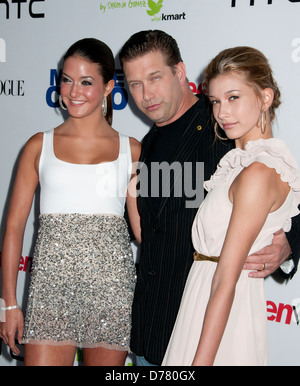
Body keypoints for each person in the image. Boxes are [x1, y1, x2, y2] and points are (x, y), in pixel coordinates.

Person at [119, 30, 300, 366]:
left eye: (154, 77)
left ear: (180, 72)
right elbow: (150, 231)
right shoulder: (147, 143)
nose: (146, 95)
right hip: (150, 331)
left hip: (207, 327)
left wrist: (289, 241)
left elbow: (277, 185)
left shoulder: (225, 128)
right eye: (134, 84)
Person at [0, 38, 140, 366]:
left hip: (112, 294)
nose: (73, 91)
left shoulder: (132, 151)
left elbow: (144, 232)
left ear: (108, 87)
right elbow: (14, 228)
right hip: (49, 293)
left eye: (86, 82)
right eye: (67, 79)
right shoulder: (38, 146)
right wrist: (8, 303)